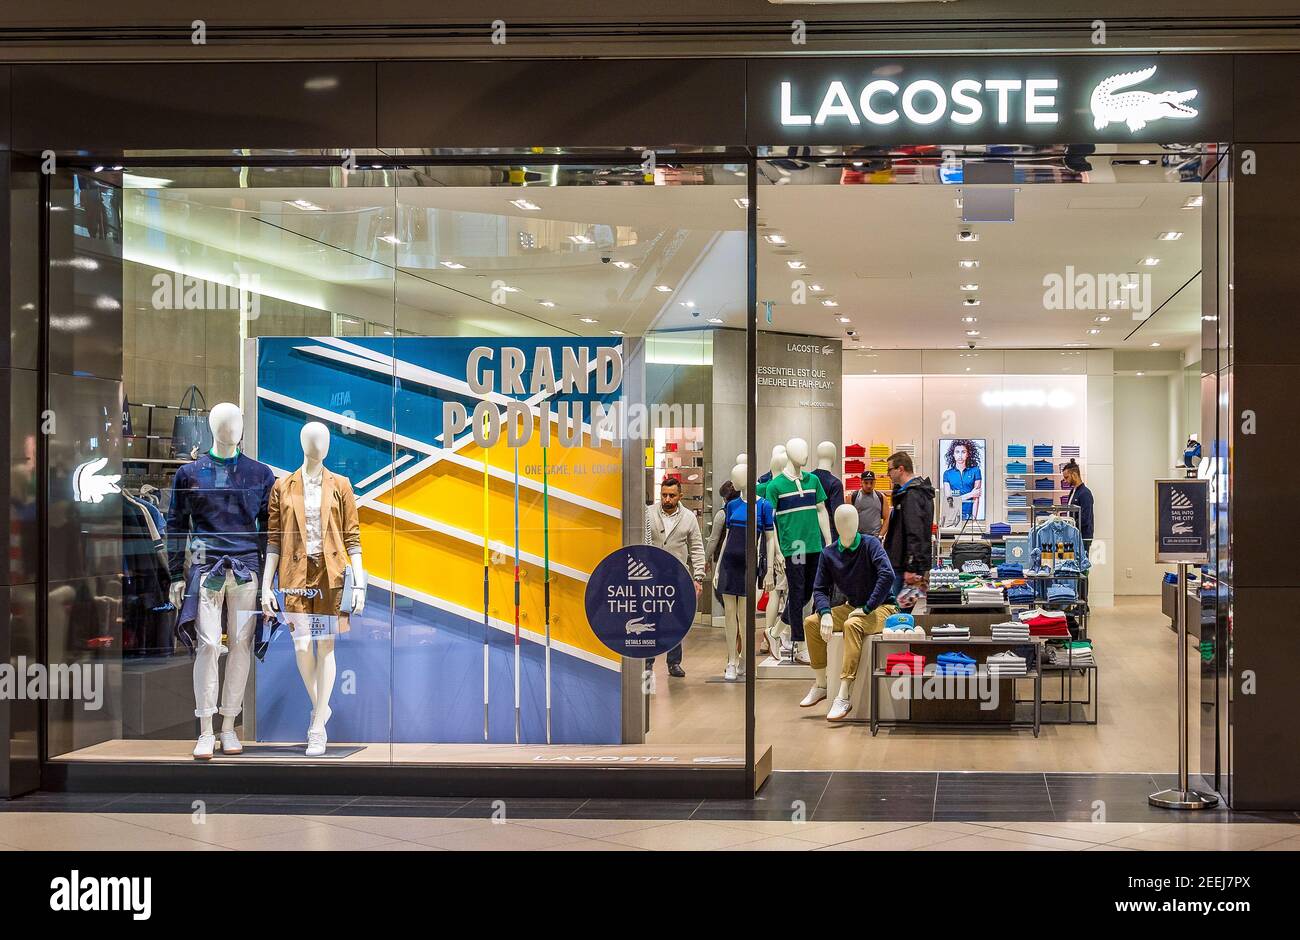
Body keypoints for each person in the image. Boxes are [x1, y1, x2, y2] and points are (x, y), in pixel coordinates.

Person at [644, 475, 705, 678]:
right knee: (649, 618)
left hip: (677, 575)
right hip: (650, 576)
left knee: (677, 619)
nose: (667, 499)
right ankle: (647, 662)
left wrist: (698, 577)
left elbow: (696, 547)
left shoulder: (688, 517)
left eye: (671, 495)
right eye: (664, 495)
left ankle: (674, 662)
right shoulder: (648, 513)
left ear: (680, 496)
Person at [883, 452, 935, 598]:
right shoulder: (910, 492)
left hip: (907, 567)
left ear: (900, 469)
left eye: (889, 470)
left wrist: (911, 567)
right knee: (908, 609)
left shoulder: (912, 495)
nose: (888, 474)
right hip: (907, 563)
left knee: (904, 613)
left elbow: (915, 532)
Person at [940, 438, 983, 524]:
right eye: (957, 452)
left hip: (969, 516)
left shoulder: (975, 471)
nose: (960, 455)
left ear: (967, 454)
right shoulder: (947, 474)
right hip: (952, 515)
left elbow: (976, 498)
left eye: (963, 452)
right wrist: (970, 494)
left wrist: (974, 520)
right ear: (953, 454)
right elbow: (949, 500)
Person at [1062, 460, 1094, 551]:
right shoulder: (1073, 491)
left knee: (1081, 564)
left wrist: (1067, 526)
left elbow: (1085, 518)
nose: (1065, 480)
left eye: (1066, 477)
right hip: (1072, 534)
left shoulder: (1085, 493)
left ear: (1074, 475)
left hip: (1083, 537)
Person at [851, 470, 889, 538]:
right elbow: (848, 519)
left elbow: (887, 519)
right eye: (866, 483)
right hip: (858, 537)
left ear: (875, 483)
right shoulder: (852, 497)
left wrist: (880, 536)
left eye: (871, 483)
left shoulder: (882, 497)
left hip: (875, 537)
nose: (869, 486)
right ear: (861, 482)